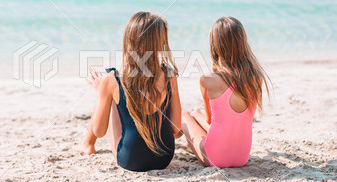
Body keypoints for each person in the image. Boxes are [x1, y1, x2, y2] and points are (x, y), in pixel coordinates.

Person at [76, 11, 182, 172]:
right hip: (164, 158)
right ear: (160, 43)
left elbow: (99, 131)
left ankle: (87, 145)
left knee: (111, 96)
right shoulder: (169, 75)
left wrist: (102, 94)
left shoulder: (112, 80)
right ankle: (87, 143)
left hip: (130, 160)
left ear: (128, 41)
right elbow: (176, 127)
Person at [182, 16, 270, 168]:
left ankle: (193, 119)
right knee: (196, 114)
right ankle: (195, 114)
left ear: (215, 45)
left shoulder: (207, 80)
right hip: (242, 157)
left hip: (215, 158)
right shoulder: (256, 78)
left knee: (184, 117)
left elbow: (210, 121)